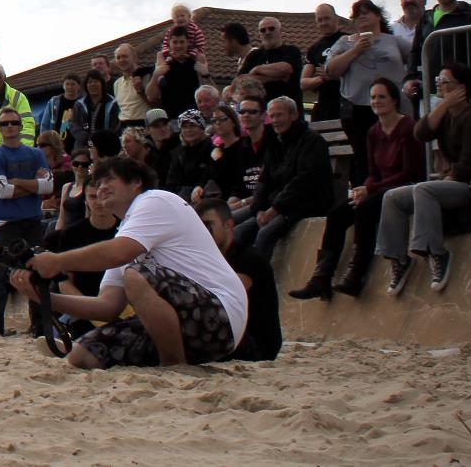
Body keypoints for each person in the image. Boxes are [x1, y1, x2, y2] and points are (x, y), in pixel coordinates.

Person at [20, 156, 248, 369]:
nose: (102, 188)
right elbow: (107, 306)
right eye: (98, 184)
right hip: (184, 325)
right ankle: (171, 362)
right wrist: (44, 298)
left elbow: (119, 253)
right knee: (82, 355)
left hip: (221, 316)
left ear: (137, 182)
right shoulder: (126, 232)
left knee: (136, 274)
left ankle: (174, 368)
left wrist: (57, 261)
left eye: (109, 180)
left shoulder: (154, 200)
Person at [289, 77, 422, 299]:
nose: (376, 101)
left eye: (382, 97)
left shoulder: (408, 127)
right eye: (373, 97)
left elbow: (411, 172)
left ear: (394, 100)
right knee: (337, 214)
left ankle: (356, 274)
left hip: (402, 188)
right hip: (380, 187)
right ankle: (321, 277)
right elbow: (373, 172)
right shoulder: (373, 132)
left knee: (365, 208)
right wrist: (365, 187)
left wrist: (371, 189)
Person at [378, 64, 471, 295]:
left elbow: (469, 163)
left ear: (461, 88)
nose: (439, 84)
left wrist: (450, 177)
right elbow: (421, 133)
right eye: (438, 80)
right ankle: (398, 259)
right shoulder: (447, 115)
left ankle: (436, 252)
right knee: (392, 197)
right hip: (449, 180)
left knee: (424, 190)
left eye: (445, 81)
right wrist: (444, 107)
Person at [232, 97, 332, 260]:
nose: (275, 121)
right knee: (238, 231)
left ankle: (261, 281)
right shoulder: (275, 142)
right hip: (276, 203)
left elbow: (303, 183)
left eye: (279, 115)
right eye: (272, 116)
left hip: (305, 204)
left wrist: (273, 210)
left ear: (293, 115)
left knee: (264, 234)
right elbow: (264, 181)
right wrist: (259, 209)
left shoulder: (312, 141)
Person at [325, 0, 412, 183]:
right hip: (358, 109)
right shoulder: (344, 42)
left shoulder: (394, 41)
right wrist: (356, 50)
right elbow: (331, 71)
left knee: (396, 154)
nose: (361, 17)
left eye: (366, 13)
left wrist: (411, 82)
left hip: (393, 108)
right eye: (356, 15)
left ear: (378, 16)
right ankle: (363, 193)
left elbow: (416, 61)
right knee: (363, 157)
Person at [0, 112, 51, 336]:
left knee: (37, 274)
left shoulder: (35, 153)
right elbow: (2, 191)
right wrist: (33, 184)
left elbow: (48, 187)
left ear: (21, 127)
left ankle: (40, 326)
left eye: (14, 123)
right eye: (5, 123)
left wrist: (18, 183)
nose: (10, 127)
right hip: (4, 224)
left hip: (31, 221)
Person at [196, 198, 281, 362]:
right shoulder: (212, 259)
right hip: (232, 337)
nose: (203, 232)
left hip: (256, 345)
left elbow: (223, 300)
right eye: (199, 227)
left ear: (229, 225)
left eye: (208, 225)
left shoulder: (248, 259)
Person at [406, 0, 471, 105]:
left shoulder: (469, 17)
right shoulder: (425, 18)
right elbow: (415, 52)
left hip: (457, 92)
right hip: (429, 92)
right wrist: (410, 78)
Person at [240, 18, 304, 108]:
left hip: (289, 114)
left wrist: (257, 69)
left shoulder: (291, 51)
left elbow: (285, 69)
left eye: (271, 29)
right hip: (262, 115)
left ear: (280, 31)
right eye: (263, 30)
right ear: (259, 35)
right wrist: (277, 76)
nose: (267, 32)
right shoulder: (254, 55)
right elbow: (242, 81)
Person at [163, 111, 218, 204]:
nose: (188, 130)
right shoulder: (178, 152)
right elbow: (171, 182)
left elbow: (211, 175)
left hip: (205, 196)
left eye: (192, 126)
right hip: (182, 197)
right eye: (184, 127)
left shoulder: (212, 148)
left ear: (201, 128)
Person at [147, 32, 204, 118]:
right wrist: (155, 76)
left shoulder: (196, 65)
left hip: (193, 119)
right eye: (175, 42)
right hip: (170, 120)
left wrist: (206, 74)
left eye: (181, 42)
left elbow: (211, 92)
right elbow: (151, 97)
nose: (178, 45)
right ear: (169, 44)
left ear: (188, 42)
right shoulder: (163, 66)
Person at [160, 4, 212, 77]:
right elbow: (165, 44)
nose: (180, 18)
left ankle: (201, 75)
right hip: (174, 53)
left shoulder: (195, 30)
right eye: (177, 17)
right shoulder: (171, 31)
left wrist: (190, 54)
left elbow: (200, 46)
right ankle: (160, 76)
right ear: (174, 20)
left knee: (201, 57)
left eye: (182, 16)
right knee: (160, 55)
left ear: (189, 17)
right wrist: (169, 53)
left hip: (192, 54)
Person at [111, 43, 150, 129]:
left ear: (135, 58)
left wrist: (141, 92)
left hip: (144, 126)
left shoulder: (147, 77)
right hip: (125, 129)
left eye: (125, 56)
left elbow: (156, 104)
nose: (121, 60)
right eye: (118, 57)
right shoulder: (116, 83)